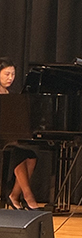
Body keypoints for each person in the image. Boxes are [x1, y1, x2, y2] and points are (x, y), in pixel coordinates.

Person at [0, 57, 42, 210]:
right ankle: (28, 196)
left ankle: (14, 195)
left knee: (31, 155)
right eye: (7, 74)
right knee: (17, 152)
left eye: (13, 74)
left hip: (7, 136)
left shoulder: (11, 94)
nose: (10, 78)